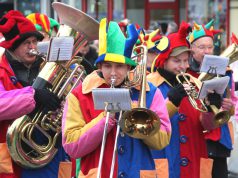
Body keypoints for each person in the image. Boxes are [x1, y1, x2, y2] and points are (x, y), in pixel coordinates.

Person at [62, 18, 171, 178]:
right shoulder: (79, 94)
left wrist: (137, 116)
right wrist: (106, 119)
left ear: (129, 67)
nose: (113, 73)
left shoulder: (150, 92)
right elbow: (72, 146)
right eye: (107, 66)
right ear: (99, 66)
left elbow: (162, 141)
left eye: (119, 66)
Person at [0, 10, 69, 178]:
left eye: (34, 42)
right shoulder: (1, 70)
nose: (33, 47)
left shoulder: (47, 66)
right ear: (13, 47)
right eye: (27, 43)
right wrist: (33, 95)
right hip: (13, 156)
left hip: (52, 152)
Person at [147, 21, 217, 178]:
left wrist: (211, 109)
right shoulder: (149, 85)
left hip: (194, 161)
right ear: (163, 61)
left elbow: (207, 126)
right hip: (163, 161)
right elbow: (146, 125)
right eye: (176, 61)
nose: (183, 66)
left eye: (185, 61)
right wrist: (171, 101)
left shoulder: (195, 84)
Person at [187, 19, 235, 178]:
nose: (207, 51)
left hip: (217, 137)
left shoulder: (225, 71)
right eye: (201, 47)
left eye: (209, 47)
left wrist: (228, 106)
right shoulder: (185, 71)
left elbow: (231, 102)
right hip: (194, 134)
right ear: (191, 49)